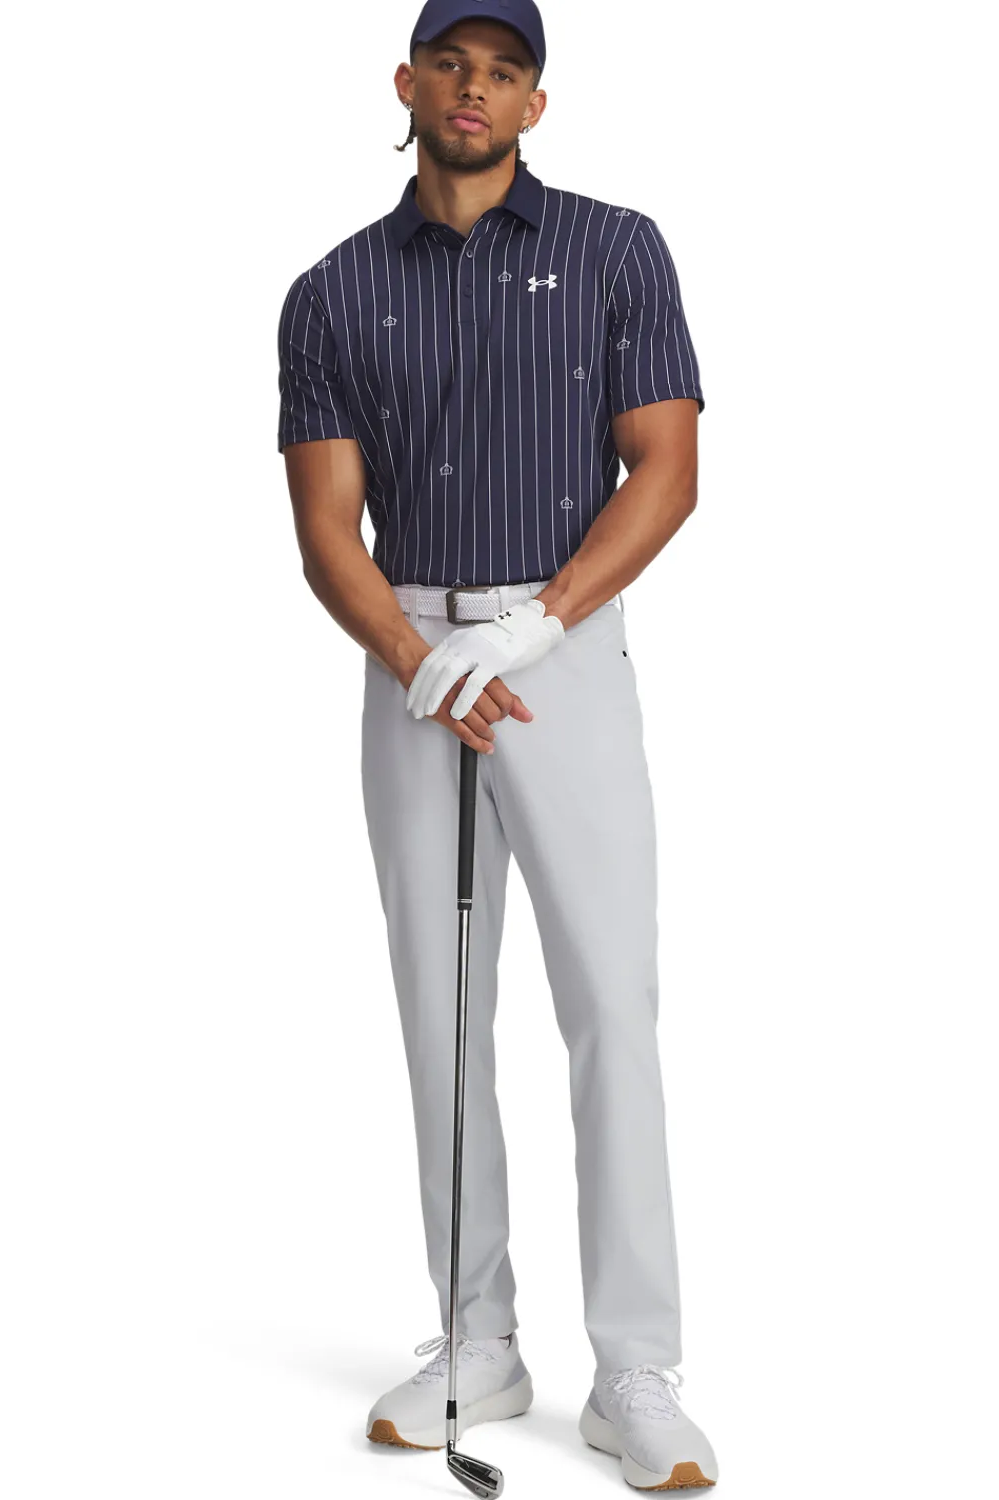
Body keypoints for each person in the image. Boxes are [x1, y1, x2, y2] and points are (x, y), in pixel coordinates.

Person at [275, 0, 716, 1487]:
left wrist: (528, 630)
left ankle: (635, 1367)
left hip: (560, 651)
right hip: (409, 661)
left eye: (505, 70)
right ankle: (479, 1341)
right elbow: (327, 531)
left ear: (536, 103)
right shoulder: (331, 291)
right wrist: (423, 663)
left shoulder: (616, 249)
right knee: (441, 1008)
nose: (476, 88)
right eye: (451, 65)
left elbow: (666, 469)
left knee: (610, 1005)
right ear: (406, 84)